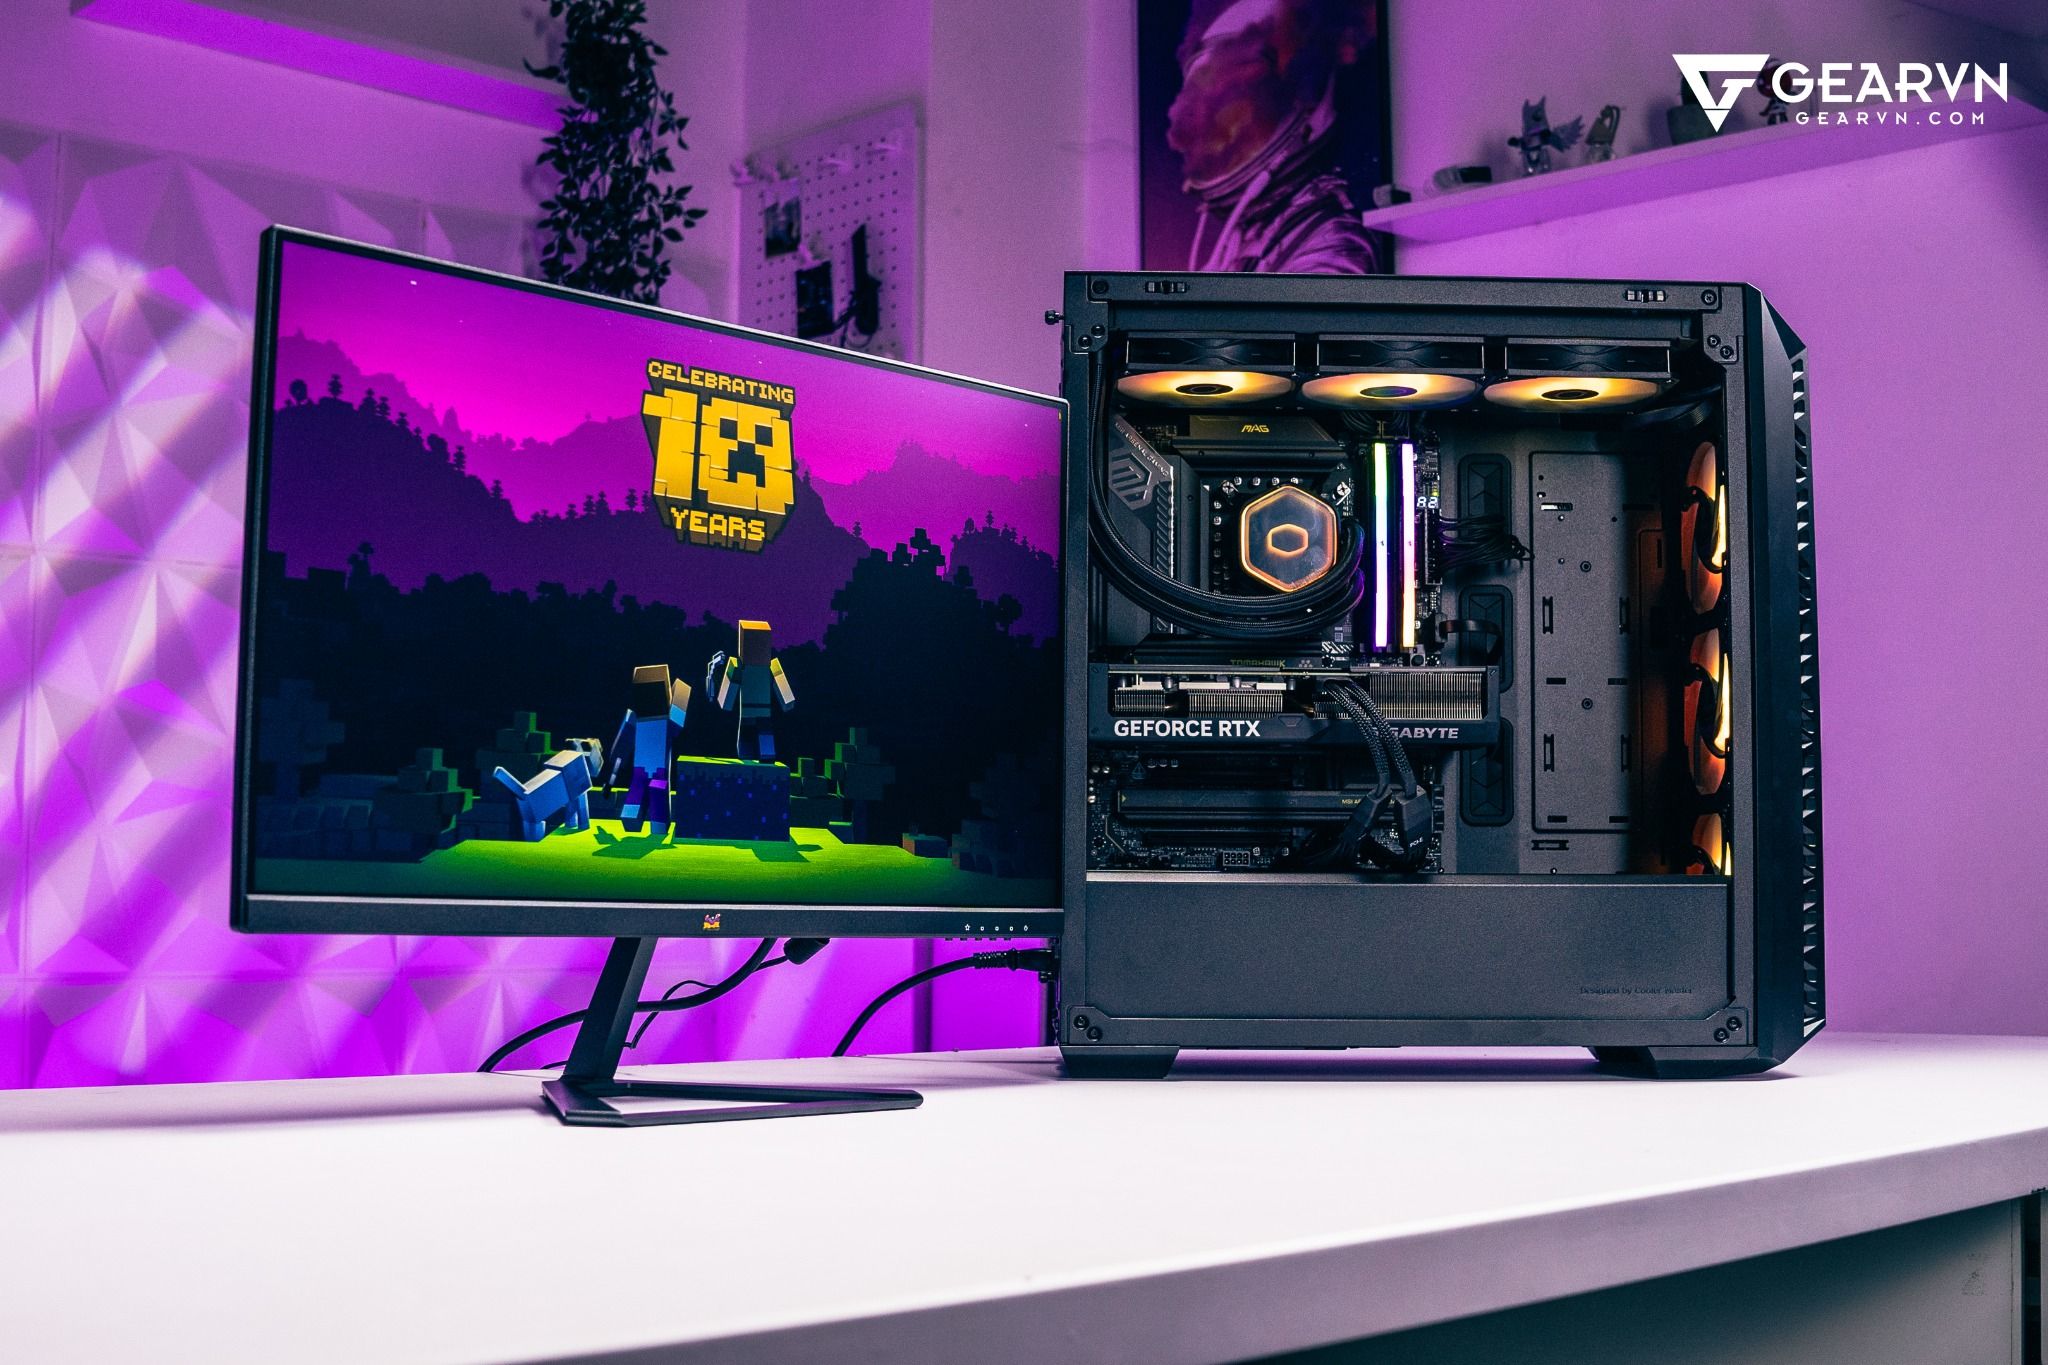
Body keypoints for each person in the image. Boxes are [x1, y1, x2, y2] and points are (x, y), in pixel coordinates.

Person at [1166, 0, 1379, 275]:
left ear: (1306, 112)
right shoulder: (1246, 235)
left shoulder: (1334, 243)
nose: (1229, 137)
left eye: (1246, 112)